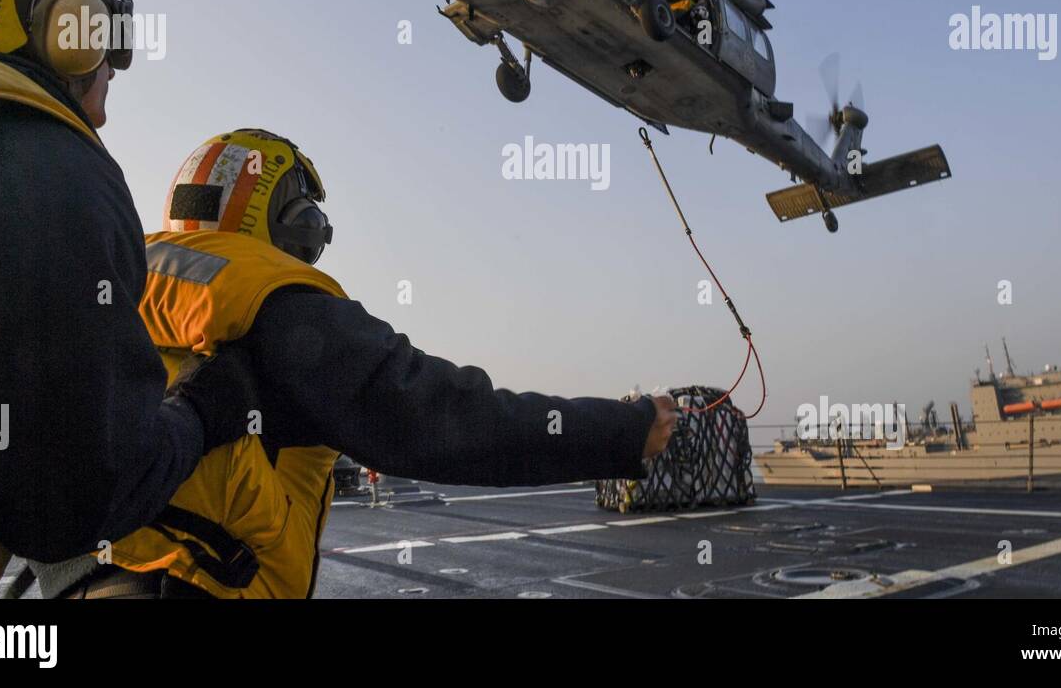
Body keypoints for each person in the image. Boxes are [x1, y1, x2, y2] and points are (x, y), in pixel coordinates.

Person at [51, 128, 677, 598]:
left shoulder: (124, 277)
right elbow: (446, 420)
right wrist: (621, 431)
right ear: (287, 221)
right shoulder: (277, 304)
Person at [0, 0, 258, 598]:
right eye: (106, 52)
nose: (102, 104)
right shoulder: (38, 156)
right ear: (70, 27)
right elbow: (64, 502)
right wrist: (201, 411)